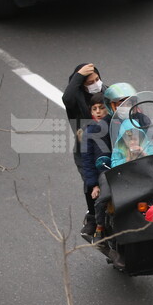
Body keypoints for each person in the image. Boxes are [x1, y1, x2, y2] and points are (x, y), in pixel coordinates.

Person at [63, 63, 105, 235]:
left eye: (97, 79)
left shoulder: (106, 94)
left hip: (109, 145)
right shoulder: (75, 101)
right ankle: (93, 217)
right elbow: (67, 98)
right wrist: (78, 76)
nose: (96, 84)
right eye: (90, 82)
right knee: (91, 181)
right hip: (87, 149)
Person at [79, 94, 112, 241]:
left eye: (101, 107)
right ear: (91, 112)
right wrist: (94, 185)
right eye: (94, 109)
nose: (98, 111)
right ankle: (99, 226)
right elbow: (87, 161)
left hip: (119, 168)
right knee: (102, 200)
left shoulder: (115, 125)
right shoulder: (89, 132)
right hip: (101, 173)